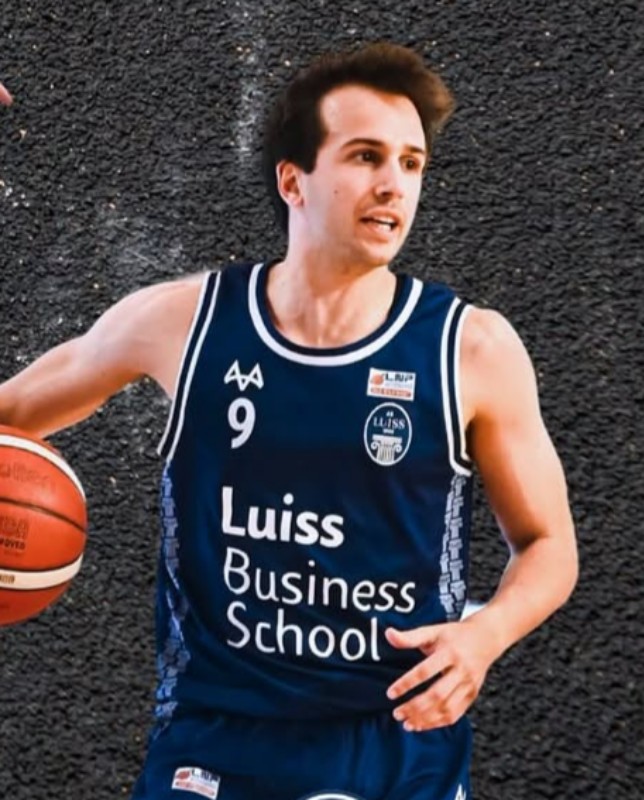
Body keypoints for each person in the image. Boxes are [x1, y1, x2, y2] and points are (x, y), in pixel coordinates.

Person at [0, 43, 577, 800]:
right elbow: (12, 414)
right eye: (365, 156)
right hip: (214, 735)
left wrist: (486, 634)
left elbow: (549, 546)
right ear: (292, 180)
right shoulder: (184, 323)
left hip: (394, 739)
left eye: (411, 163)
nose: (393, 184)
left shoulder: (470, 349)